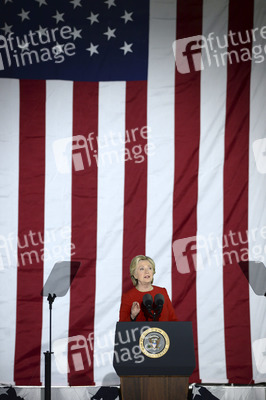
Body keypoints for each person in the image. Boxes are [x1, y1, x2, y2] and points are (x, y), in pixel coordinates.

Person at [119, 255, 178, 322]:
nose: (147, 272)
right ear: (135, 275)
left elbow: (173, 320)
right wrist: (132, 316)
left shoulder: (162, 292)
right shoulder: (128, 296)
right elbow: (122, 327)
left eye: (150, 268)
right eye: (142, 269)